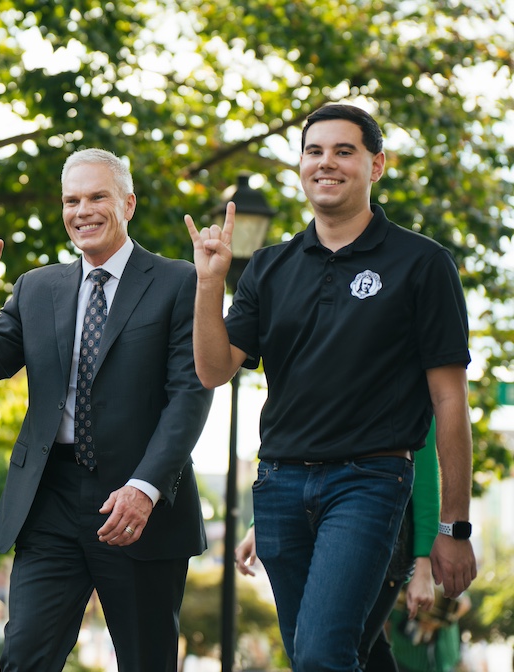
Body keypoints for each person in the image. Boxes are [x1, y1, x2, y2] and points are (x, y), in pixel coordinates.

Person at [185, 103, 477, 670]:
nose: (328, 163)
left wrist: (453, 526)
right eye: (315, 151)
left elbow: (450, 402)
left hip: (368, 480)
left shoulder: (422, 264)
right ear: (299, 165)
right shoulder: (269, 267)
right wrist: (209, 283)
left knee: (322, 655)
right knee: (322, 657)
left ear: (377, 165)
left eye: (345, 151)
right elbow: (213, 369)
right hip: (278, 486)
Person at [0, 147, 213, 671]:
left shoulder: (178, 282)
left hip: (139, 502)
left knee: (147, 661)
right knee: (22, 658)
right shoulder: (37, 287)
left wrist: (146, 488)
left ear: (128, 204)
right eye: (71, 200)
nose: (82, 211)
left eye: (97, 197)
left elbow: (190, 394)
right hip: (50, 501)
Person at [234, 423, 442, 669]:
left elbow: (426, 477)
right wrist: (258, 524)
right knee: (348, 651)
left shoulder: (398, 390)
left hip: (382, 543)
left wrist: (423, 562)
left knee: (338, 652)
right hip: (320, 539)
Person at [388, 590, 471, 672]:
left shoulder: (446, 578)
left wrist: (437, 623)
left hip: (439, 661)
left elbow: (465, 603)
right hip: (402, 656)